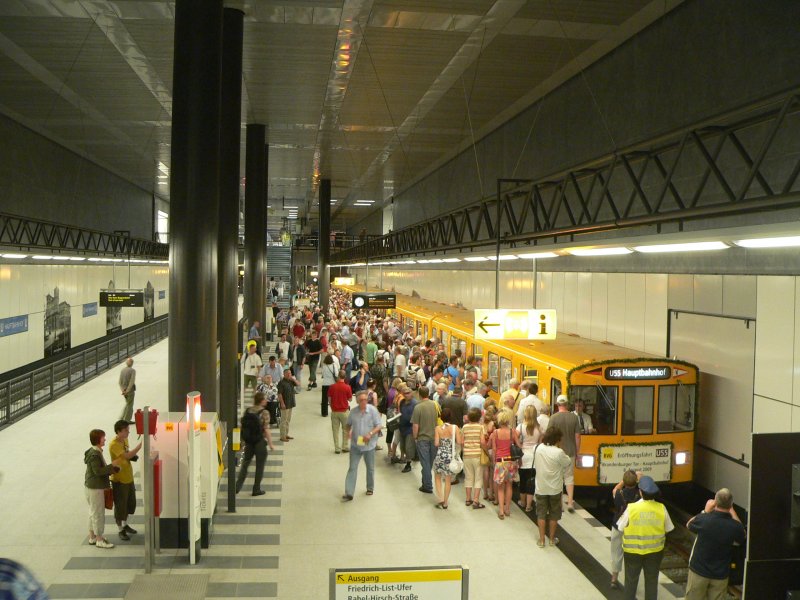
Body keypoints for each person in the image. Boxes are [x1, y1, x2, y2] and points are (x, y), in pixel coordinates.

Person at [618, 476, 675, 600]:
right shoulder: (661, 508)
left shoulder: (632, 508)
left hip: (632, 553)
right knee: (651, 581)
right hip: (655, 553)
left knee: (630, 582)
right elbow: (669, 528)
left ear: (640, 492)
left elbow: (620, 527)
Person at [684, 488, 746, 600]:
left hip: (699, 571)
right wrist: (732, 511)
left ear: (715, 502)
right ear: (731, 504)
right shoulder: (734, 527)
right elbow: (743, 534)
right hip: (720, 574)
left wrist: (705, 511)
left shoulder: (704, 520)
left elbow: (689, 524)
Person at [533, 427, 571, 548]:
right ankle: (551, 539)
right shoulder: (558, 452)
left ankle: (542, 540)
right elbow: (568, 462)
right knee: (554, 514)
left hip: (541, 487)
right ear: (557, 439)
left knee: (541, 514)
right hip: (555, 489)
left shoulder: (538, 448)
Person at [342, 391, 383, 501]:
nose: (364, 402)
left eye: (365, 400)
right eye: (361, 400)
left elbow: (379, 425)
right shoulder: (353, 412)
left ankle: (370, 487)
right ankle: (349, 493)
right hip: (356, 445)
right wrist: (348, 432)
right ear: (357, 401)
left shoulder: (373, 411)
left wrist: (370, 434)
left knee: (370, 468)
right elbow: (348, 425)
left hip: (369, 446)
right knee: (352, 468)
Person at [84, 428, 121, 549]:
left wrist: (111, 469)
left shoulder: (93, 451)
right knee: (98, 514)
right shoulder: (95, 454)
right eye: (103, 437)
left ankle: (92, 537)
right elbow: (98, 471)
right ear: (98, 439)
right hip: (96, 488)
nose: (105, 439)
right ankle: (99, 539)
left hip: (91, 486)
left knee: (93, 512)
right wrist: (112, 465)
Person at [235, 392, 276, 496]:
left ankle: (237, 487)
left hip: (249, 443)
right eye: (265, 399)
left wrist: (242, 441)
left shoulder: (248, 411)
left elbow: (243, 427)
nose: (266, 401)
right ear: (261, 401)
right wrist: (271, 444)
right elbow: (266, 429)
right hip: (259, 443)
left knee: (245, 464)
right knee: (259, 466)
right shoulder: (265, 413)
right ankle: (256, 489)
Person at [108, 420, 142, 541]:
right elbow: (126, 456)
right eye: (126, 430)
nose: (128, 432)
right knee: (120, 506)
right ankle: (120, 529)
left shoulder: (124, 440)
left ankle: (125, 524)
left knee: (129, 504)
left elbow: (127, 453)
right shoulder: (113, 444)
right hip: (119, 480)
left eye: (128, 429)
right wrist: (139, 447)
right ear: (118, 432)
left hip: (128, 477)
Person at [548, 394, 580, 512]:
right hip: (570, 451)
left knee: (558, 477)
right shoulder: (574, 418)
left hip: (556, 452)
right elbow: (577, 436)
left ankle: (560, 504)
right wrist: (577, 452)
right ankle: (570, 502)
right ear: (567, 404)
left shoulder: (553, 418)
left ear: (557, 405)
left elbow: (549, 435)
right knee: (569, 477)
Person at [610, 470, 641, 589]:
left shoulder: (618, 493)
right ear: (636, 481)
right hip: (633, 527)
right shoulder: (639, 495)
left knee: (616, 551)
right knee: (631, 554)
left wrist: (623, 480)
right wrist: (638, 479)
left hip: (618, 525)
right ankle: (630, 582)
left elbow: (615, 488)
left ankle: (614, 579)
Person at [489, 408, 520, 520]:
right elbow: (519, 446)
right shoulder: (512, 432)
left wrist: (494, 462)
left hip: (500, 462)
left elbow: (494, 448)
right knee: (509, 486)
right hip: (511, 462)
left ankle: (501, 510)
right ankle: (507, 509)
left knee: (500, 487)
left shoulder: (495, 433)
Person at [432, 407, 462, 509]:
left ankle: (440, 498)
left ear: (441, 417)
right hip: (450, 457)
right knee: (448, 480)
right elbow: (459, 442)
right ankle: (445, 502)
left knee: (437, 477)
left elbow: (436, 443)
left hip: (440, 455)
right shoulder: (455, 428)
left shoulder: (437, 428)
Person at [412, 386, 438, 494]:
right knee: (429, 463)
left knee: (425, 463)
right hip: (434, 438)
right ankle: (425, 482)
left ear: (419, 394)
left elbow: (415, 426)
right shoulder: (434, 405)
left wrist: (415, 437)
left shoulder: (418, 407)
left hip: (423, 439)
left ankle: (428, 486)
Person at [516, 405, 543, 513]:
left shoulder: (521, 426)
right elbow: (540, 442)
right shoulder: (539, 427)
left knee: (523, 480)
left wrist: (519, 445)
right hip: (535, 455)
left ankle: (522, 502)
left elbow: (514, 436)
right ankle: (528, 505)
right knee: (531, 481)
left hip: (523, 455)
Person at [461, 408, 485, 509]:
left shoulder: (465, 427)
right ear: (479, 417)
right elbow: (482, 442)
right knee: (478, 478)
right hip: (477, 455)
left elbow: (462, 442)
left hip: (467, 455)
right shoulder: (480, 427)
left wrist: (465, 449)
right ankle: (476, 500)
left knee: (468, 477)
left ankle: (467, 499)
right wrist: (486, 451)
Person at [328, 370, 353, 454]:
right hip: (344, 411)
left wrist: (332, 407)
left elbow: (329, 399)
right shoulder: (347, 387)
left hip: (334, 411)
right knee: (345, 430)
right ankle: (345, 446)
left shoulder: (332, 387)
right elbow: (350, 399)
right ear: (345, 377)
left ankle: (337, 448)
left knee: (335, 430)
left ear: (338, 376)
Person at [396, 386, 417, 473]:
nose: (406, 395)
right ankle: (408, 458)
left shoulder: (415, 404)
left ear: (411, 393)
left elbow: (416, 418)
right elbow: (400, 412)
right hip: (402, 427)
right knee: (403, 446)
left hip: (410, 429)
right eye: (404, 393)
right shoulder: (402, 402)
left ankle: (408, 463)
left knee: (409, 447)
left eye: (408, 393)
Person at [277, 368, 300, 442]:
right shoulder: (281, 383)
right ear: (284, 374)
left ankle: (286, 434)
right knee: (283, 421)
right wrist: (282, 403)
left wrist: (293, 379)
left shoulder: (291, 381)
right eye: (287, 373)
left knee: (288, 420)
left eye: (290, 373)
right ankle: (282, 436)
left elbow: (298, 384)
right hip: (285, 404)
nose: (289, 375)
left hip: (290, 403)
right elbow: (279, 394)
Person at [118, 357, 136, 422]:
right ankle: (127, 420)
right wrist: (127, 391)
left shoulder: (122, 370)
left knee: (127, 403)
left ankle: (122, 417)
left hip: (124, 390)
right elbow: (131, 382)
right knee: (130, 405)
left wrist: (123, 390)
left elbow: (120, 382)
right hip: (130, 391)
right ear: (132, 363)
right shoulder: (132, 371)